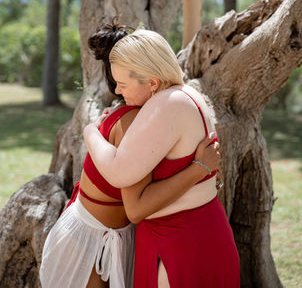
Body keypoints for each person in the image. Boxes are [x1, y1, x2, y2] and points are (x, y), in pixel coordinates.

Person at [40, 22, 221, 288]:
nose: (117, 91)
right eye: (118, 83)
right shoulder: (133, 121)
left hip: (109, 236)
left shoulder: (146, 117)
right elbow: (136, 206)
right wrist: (199, 169)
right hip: (89, 241)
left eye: (122, 83)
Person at [84, 28, 240, 288]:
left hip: (179, 241)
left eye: (123, 84)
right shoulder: (187, 94)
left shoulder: (167, 105)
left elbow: (118, 173)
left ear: (152, 83)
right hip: (203, 230)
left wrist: (90, 131)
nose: (119, 92)